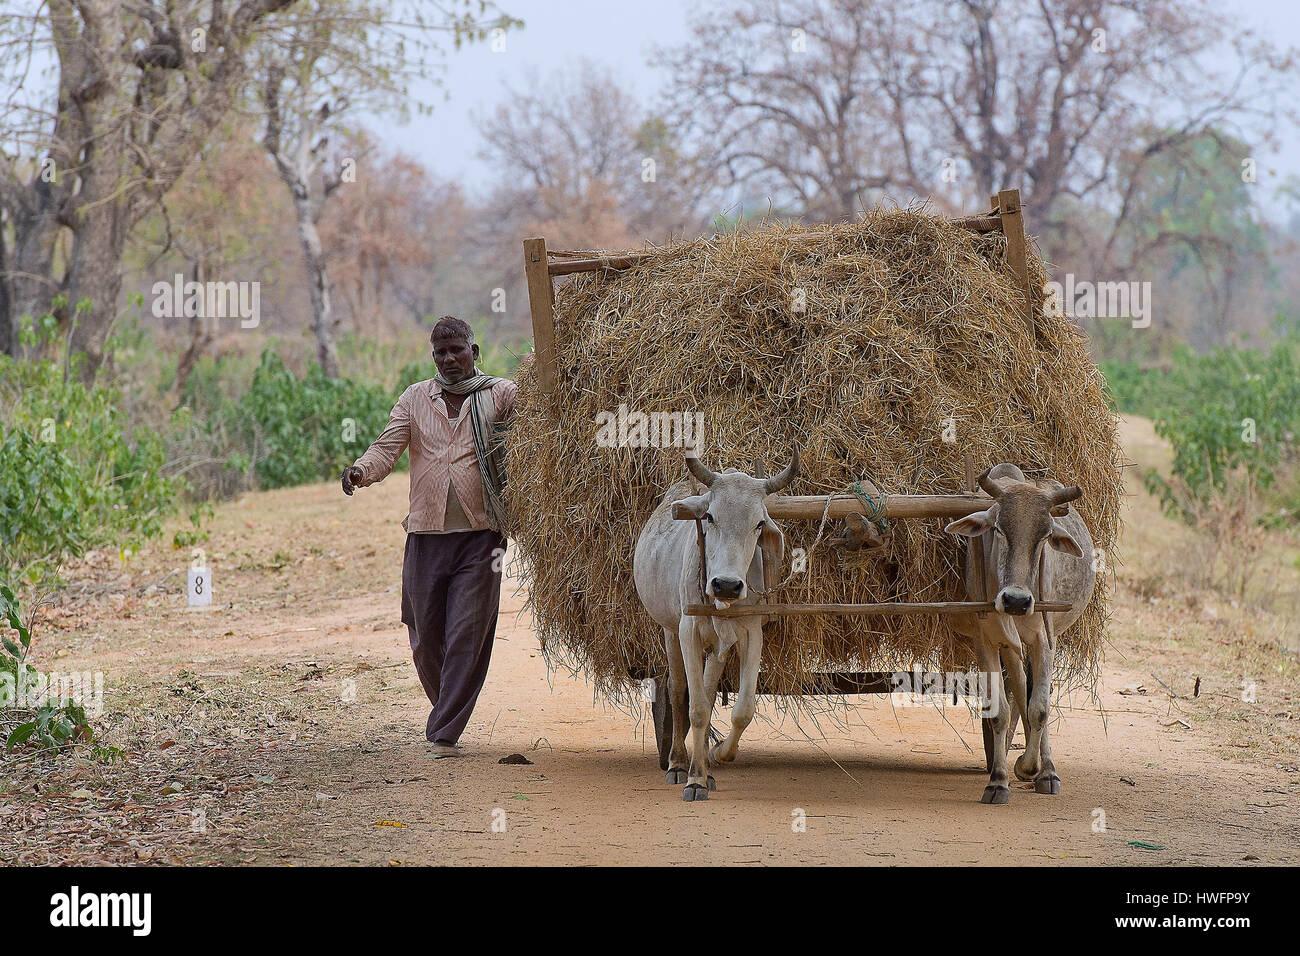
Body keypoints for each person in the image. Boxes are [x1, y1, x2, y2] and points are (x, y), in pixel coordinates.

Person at [341, 316, 516, 756]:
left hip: (481, 537)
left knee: (466, 632)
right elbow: (387, 447)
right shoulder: (417, 398)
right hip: (426, 533)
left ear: (474, 352)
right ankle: (447, 708)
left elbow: (540, 420)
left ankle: (444, 730)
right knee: (423, 632)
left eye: (458, 349)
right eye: (441, 352)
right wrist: (361, 472)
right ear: (433, 356)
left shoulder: (502, 394)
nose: (450, 358)